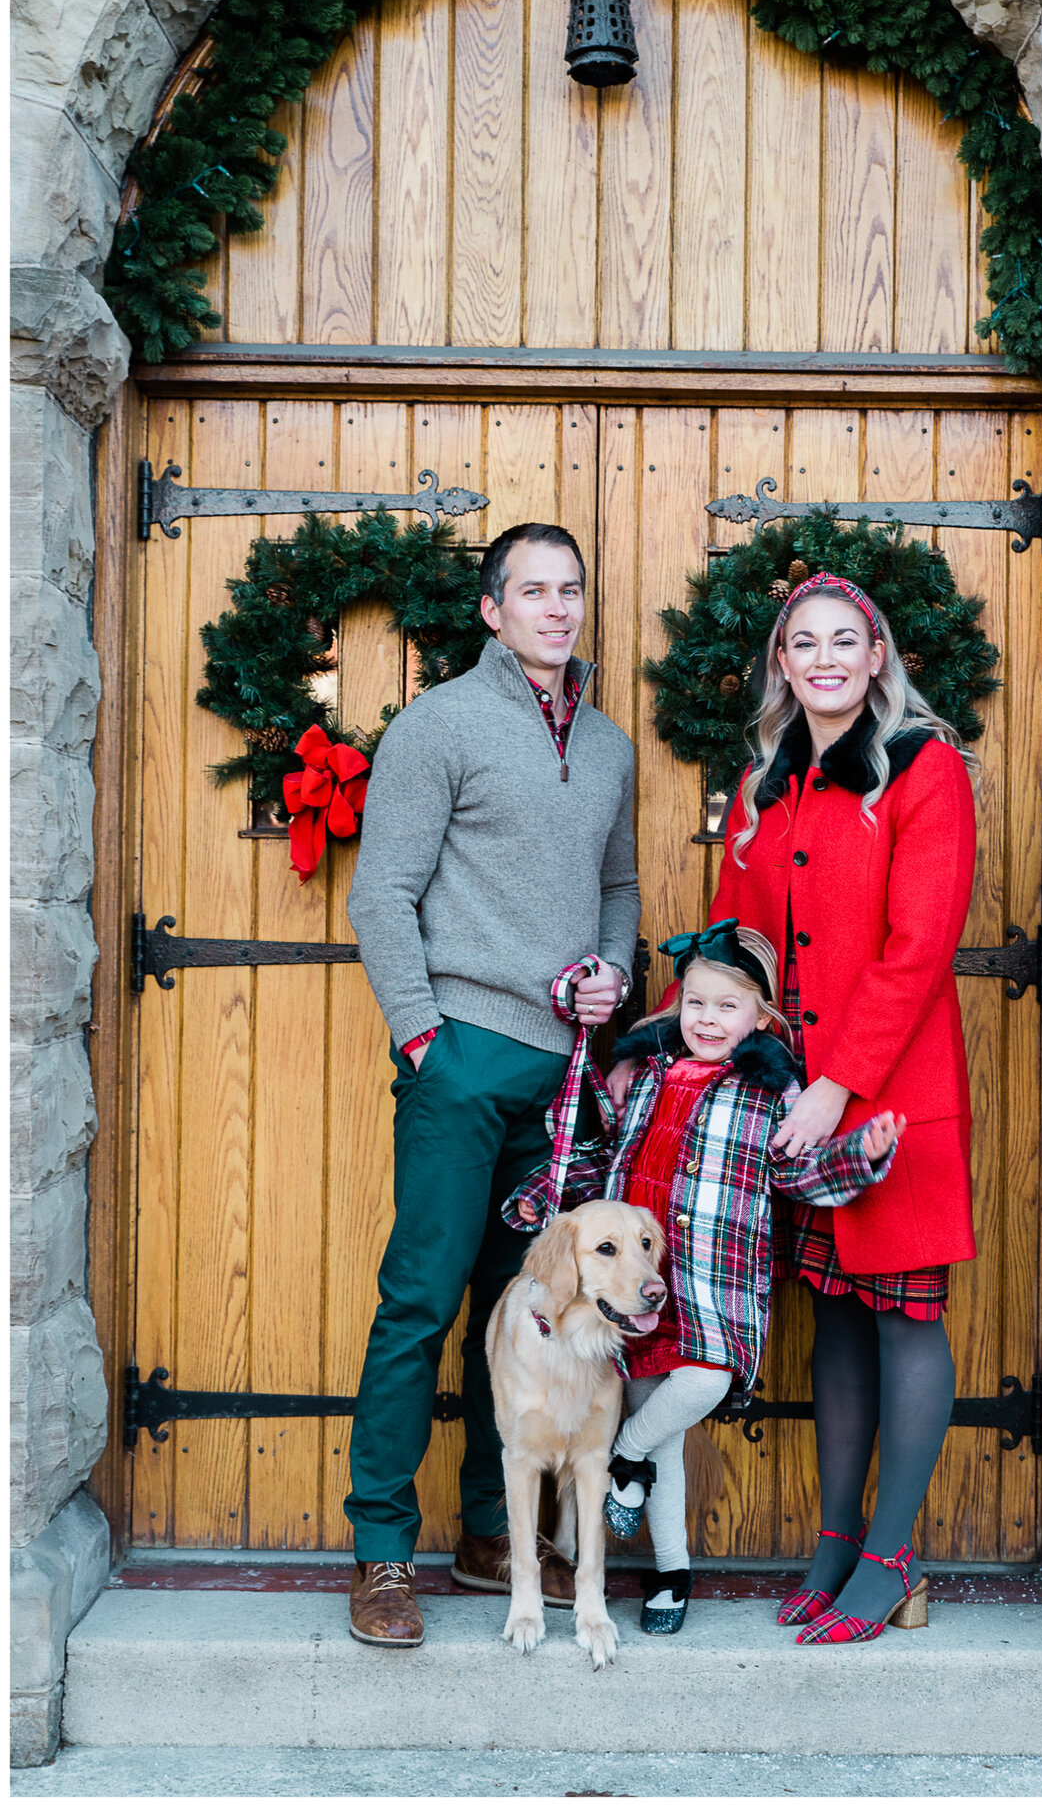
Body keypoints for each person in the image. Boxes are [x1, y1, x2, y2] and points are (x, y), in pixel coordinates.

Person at [618, 567, 977, 1644]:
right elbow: (736, 947)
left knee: (904, 1311)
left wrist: (833, 1085)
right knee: (832, 1309)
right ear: (782, 662)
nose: (823, 658)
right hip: (787, 1100)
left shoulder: (924, 769)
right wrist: (661, 1040)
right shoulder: (767, 778)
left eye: (843, 641)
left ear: (876, 657)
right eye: (802, 643)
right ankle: (833, 1539)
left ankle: (892, 1551)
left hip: (887, 1101)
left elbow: (920, 948)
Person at [341, 522, 639, 1648]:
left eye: (570, 588)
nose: (557, 607)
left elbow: (617, 884)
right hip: (462, 1056)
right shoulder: (441, 726)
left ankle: (489, 1532)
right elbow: (382, 895)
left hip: (563, 1080)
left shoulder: (605, 743)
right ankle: (381, 1547)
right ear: (492, 609)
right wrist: (425, 1039)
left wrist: (615, 964)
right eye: (533, 590)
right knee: (422, 1299)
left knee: (529, 1307)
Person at [503, 921, 903, 1634]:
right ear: (674, 1009)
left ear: (762, 1020)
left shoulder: (766, 1096)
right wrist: (543, 1196)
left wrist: (861, 1158)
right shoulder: (647, 1079)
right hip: (640, 1288)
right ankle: (672, 1573)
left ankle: (622, 1459)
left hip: (714, 1287)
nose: (708, 1021)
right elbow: (601, 1169)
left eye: (727, 1008)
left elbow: (801, 1172)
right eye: (696, 1005)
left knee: (704, 1384)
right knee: (665, 1436)